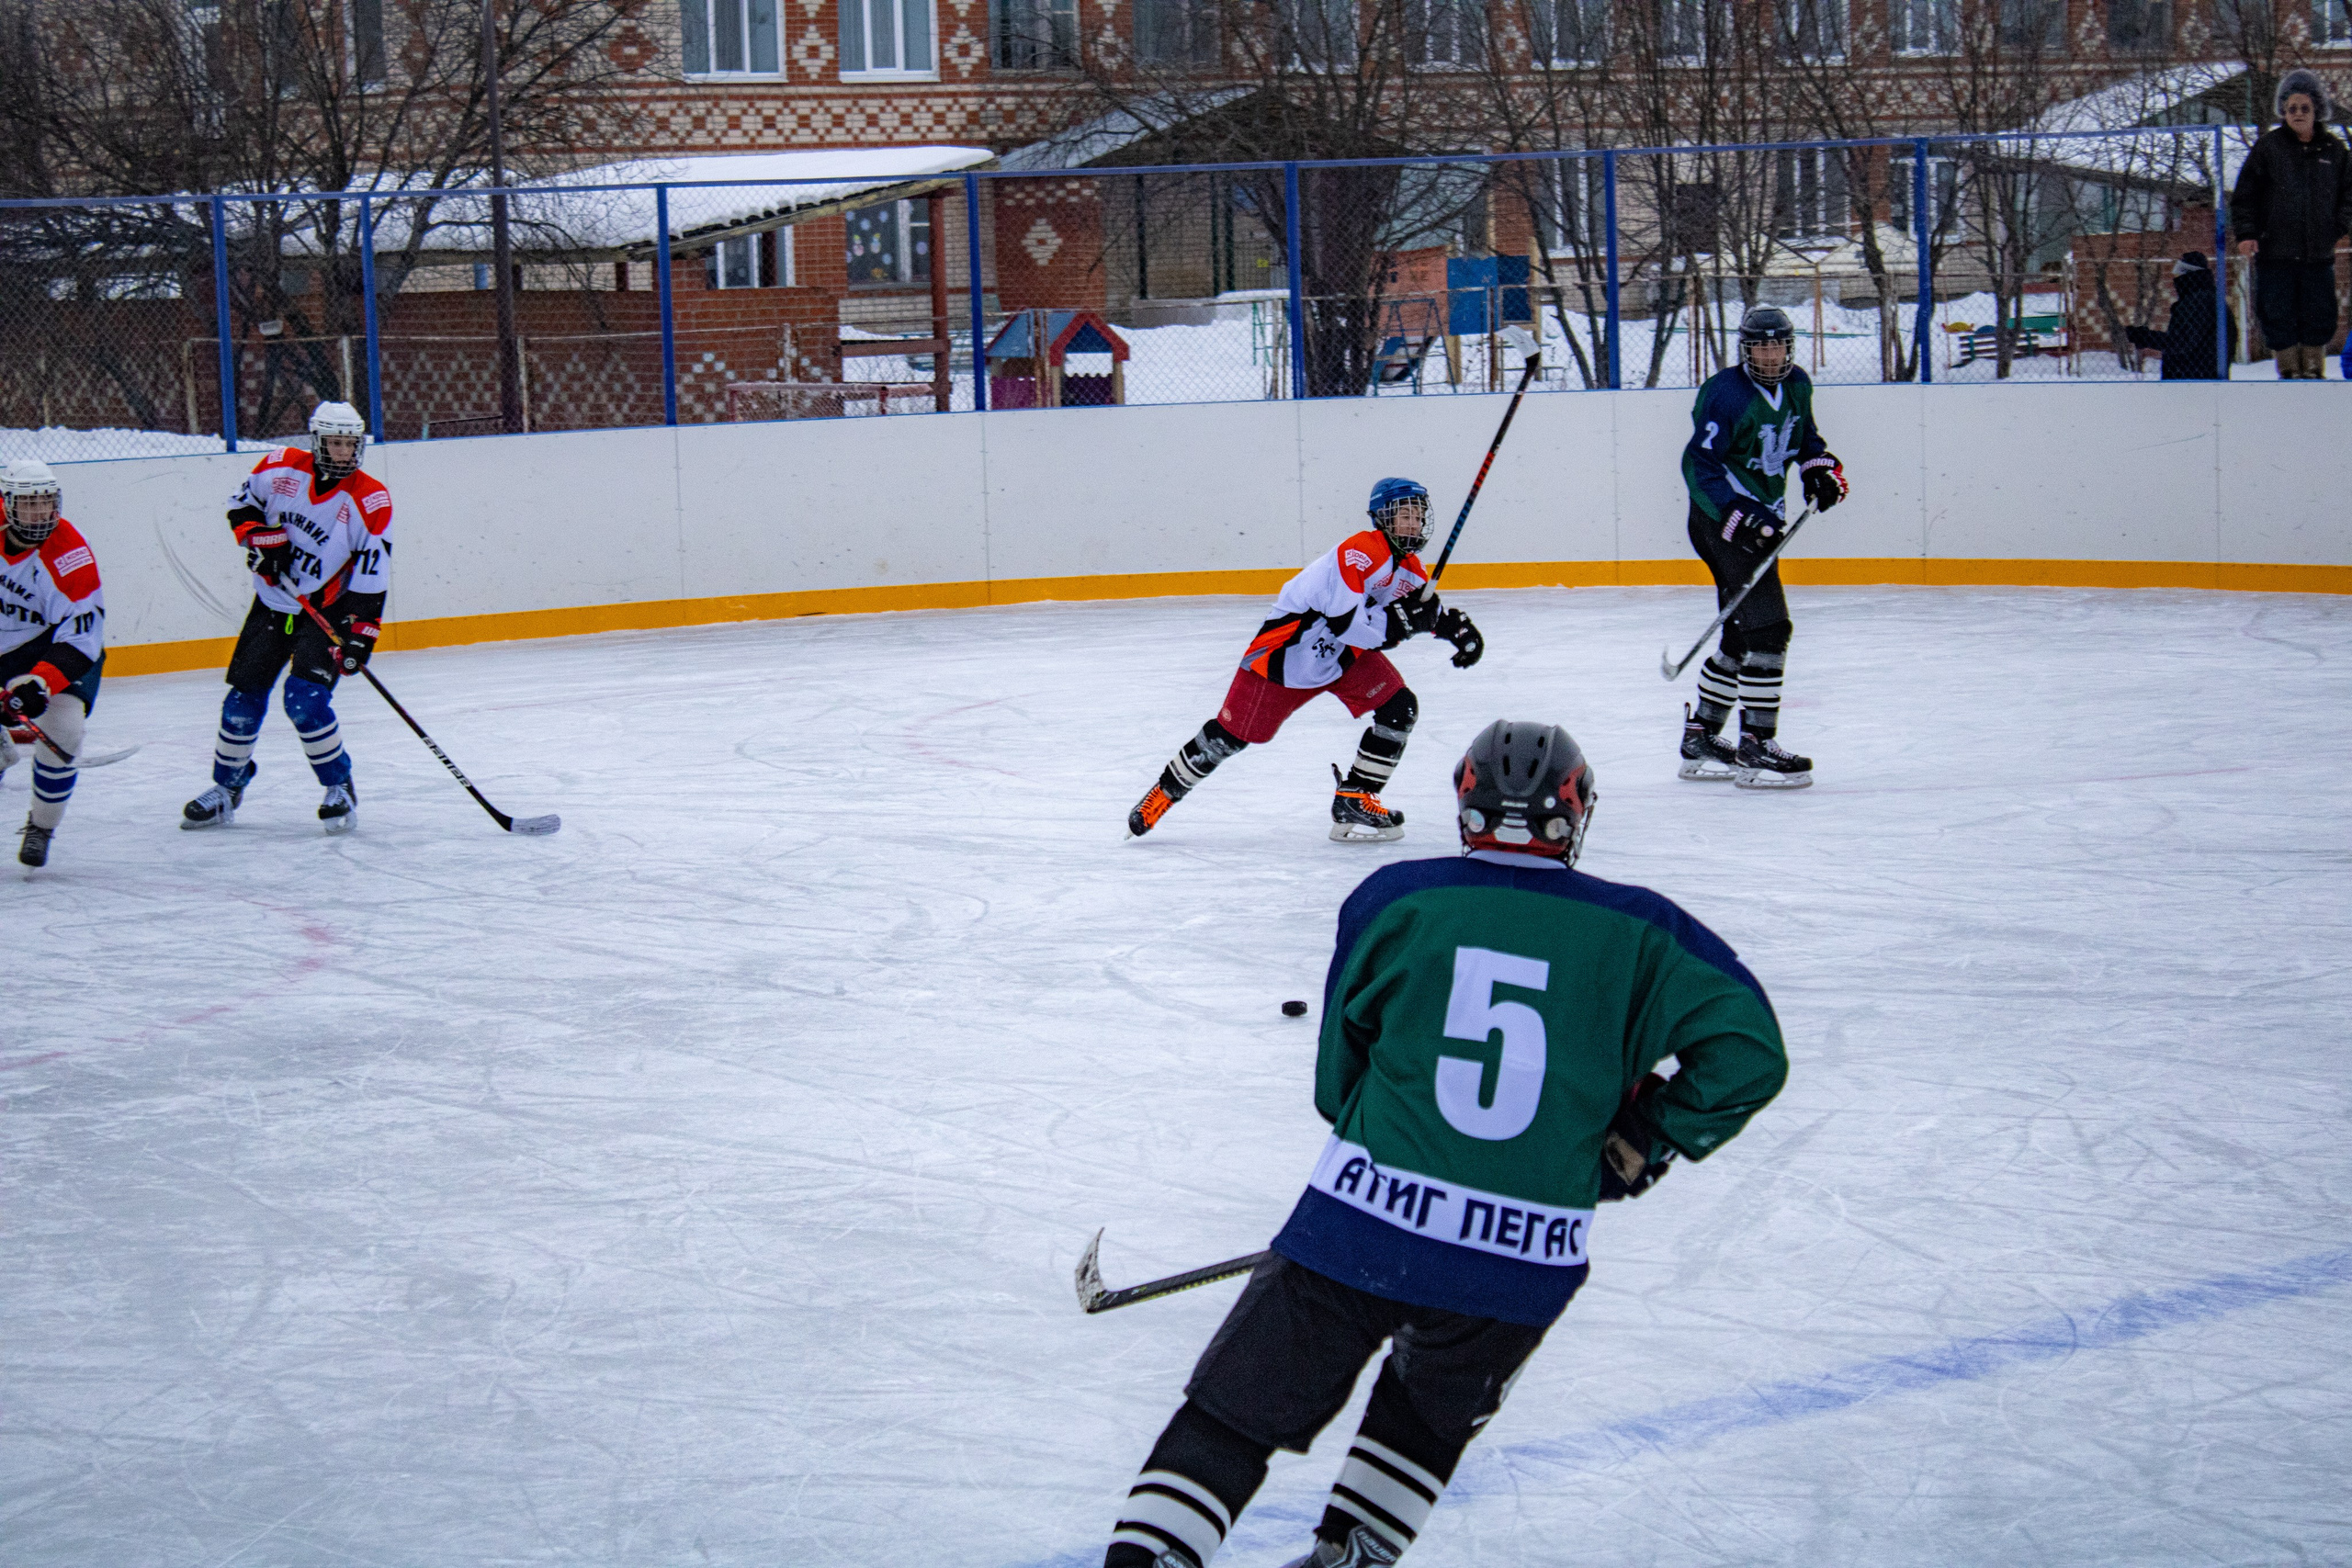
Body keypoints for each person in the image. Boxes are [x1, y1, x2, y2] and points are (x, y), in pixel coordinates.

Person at [1100, 719, 1788, 1568]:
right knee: (1420, 1424)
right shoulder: (1645, 928)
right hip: (1523, 1258)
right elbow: (1750, 1054)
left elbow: (1336, 1089)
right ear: (1574, 813)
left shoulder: (1396, 898)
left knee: (1232, 1416)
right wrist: (1643, 1137)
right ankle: (1350, 1554)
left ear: (1467, 806)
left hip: (1359, 1226)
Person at [1126, 478, 1484, 843]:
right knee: (1230, 737)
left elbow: (1422, 613)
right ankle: (1163, 793)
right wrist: (1401, 624)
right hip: (1286, 659)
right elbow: (1347, 624)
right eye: (1404, 515)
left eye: (1418, 516)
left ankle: (1355, 798)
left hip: (1342, 659)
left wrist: (1455, 630)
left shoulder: (1411, 570)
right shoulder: (1359, 551)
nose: (1413, 524)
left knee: (1399, 707)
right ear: (1383, 518)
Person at [181, 400, 391, 834]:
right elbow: (241, 508)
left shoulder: (370, 499)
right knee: (242, 700)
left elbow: (373, 575)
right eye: (334, 443)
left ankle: (339, 787)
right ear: (316, 441)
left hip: (327, 611)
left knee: (305, 701)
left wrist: (360, 636)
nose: (343, 452)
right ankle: (227, 788)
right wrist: (263, 541)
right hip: (274, 603)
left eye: (350, 444)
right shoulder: (279, 467)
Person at [1677, 304, 1847, 789]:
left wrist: (1819, 471)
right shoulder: (1725, 393)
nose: (1770, 356)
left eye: (1777, 346)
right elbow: (1698, 466)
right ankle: (1756, 745)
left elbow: (1806, 440)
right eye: (1760, 347)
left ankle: (1702, 737)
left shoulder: (1798, 385)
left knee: (1741, 632)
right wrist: (1736, 513)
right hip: (1721, 521)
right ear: (1745, 350)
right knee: (1771, 628)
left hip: (1762, 520)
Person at [0, 460, 106, 868]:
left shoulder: (70, 555)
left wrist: (38, 684)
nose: (40, 514)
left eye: (46, 502)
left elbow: (81, 640)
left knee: (65, 732)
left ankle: (41, 826)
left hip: (55, 646)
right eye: (29, 504)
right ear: (7, 503)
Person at [2230, 68, 2351, 380]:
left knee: (2319, 312)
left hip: (2318, 254)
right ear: (2283, 111)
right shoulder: (2268, 149)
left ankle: (2313, 368)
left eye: (2304, 108)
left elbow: (2349, 196)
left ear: (2317, 110)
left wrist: (2336, 227)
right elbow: (2245, 196)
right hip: (2275, 253)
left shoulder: (2335, 151)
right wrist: (2247, 234)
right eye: (2292, 108)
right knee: (2278, 312)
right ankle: (2287, 369)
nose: (2298, 113)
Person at [2123, 252, 2236, 380]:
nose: (2175, 277)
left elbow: (2181, 341)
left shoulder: (2198, 302)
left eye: (2179, 271)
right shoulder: (2209, 299)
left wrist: (2144, 337)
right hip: (2201, 377)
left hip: (2192, 380)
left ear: (2188, 273)